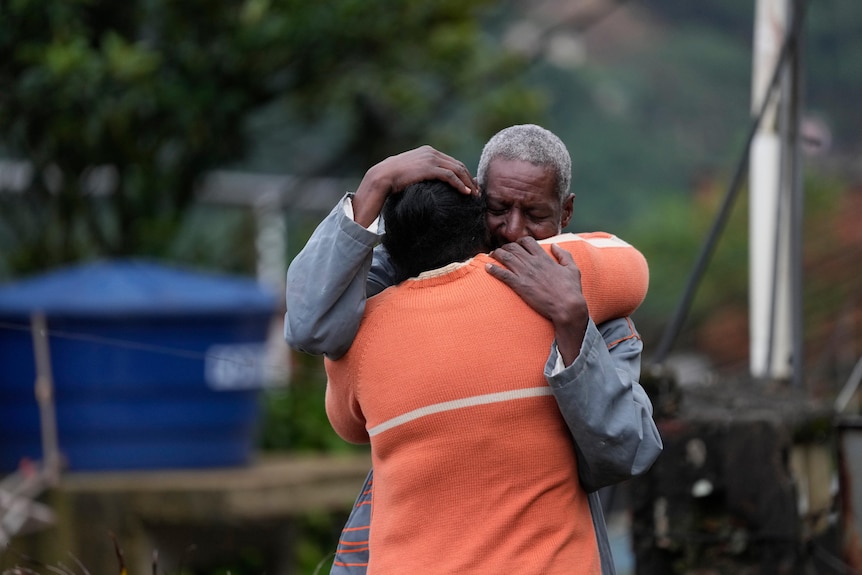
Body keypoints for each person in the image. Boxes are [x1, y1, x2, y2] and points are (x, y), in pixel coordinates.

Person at [284, 124, 662, 574]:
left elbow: (624, 452)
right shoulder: (408, 272)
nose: (513, 230)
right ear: (476, 197)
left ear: (567, 212)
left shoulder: (588, 310)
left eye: (535, 214)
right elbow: (308, 326)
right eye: (498, 209)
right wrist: (375, 184)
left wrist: (572, 326)